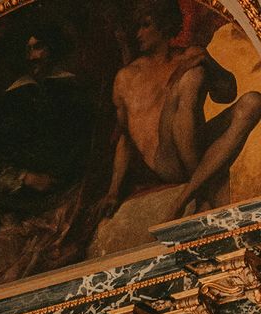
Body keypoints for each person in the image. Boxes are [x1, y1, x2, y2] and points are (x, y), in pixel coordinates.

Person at [104, 0, 261, 220]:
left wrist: (207, 62)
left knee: (253, 102)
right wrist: (113, 192)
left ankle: (185, 197)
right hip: (166, 160)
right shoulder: (127, 78)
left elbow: (226, 94)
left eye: (145, 25)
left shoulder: (190, 54)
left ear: (164, 25)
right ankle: (196, 192)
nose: (138, 33)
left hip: (196, 143)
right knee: (191, 77)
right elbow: (125, 138)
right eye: (137, 26)